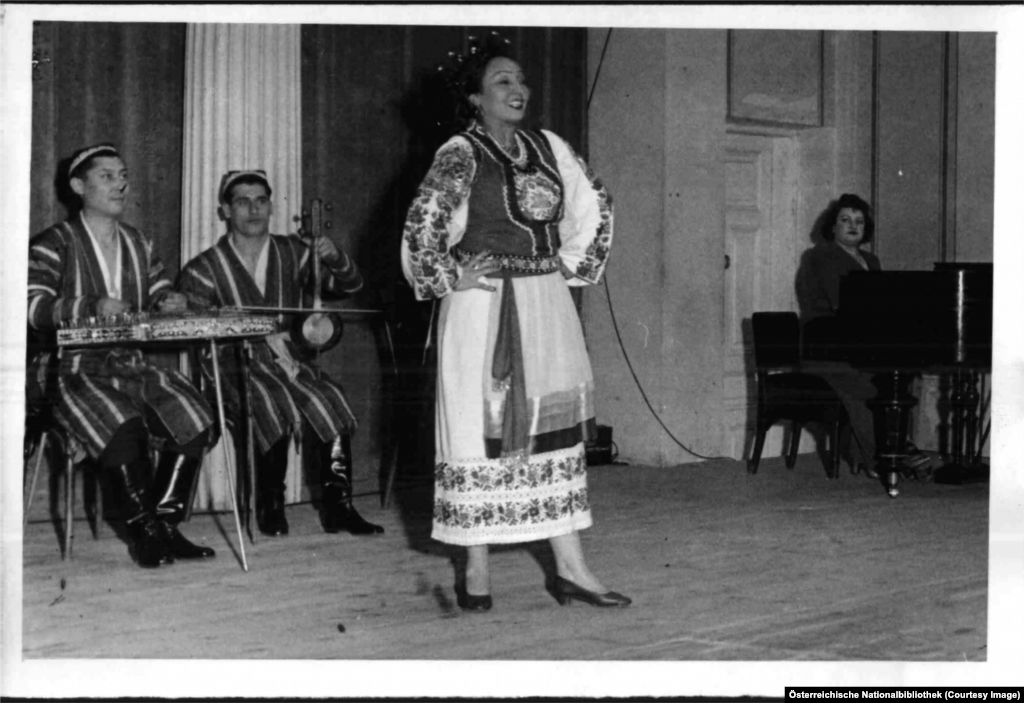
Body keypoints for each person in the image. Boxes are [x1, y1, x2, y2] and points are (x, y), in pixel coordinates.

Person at [400, 34, 629, 610]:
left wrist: (566, 267)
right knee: (477, 433)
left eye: (521, 80)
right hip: (483, 307)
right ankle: (475, 572)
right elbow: (423, 222)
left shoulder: (547, 145)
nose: (518, 89)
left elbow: (594, 201)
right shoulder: (460, 151)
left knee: (551, 435)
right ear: (475, 97)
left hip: (544, 302)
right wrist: (448, 274)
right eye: (502, 81)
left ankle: (573, 569)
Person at [27, 143, 217, 568]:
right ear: (78, 186)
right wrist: (89, 305)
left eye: (123, 174)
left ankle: (166, 524)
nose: (121, 184)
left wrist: (170, 300)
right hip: (70, 369)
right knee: (121, 422)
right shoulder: (53, 243)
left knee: (194, 413)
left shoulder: (138, 242)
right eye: (107, 176)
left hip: (130, 364)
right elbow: (31, 307)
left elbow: (156, 291)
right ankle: (143, 532)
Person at [177, 169, 383, 538]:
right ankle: (270, 505)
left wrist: (334, 256)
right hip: (232, 366)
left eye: (261, 200)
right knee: (269, 399)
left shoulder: (293, 252)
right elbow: (190, 326)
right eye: (242, 201)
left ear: (271, 206)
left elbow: (350, 284)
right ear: (225, 210)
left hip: (287, 362)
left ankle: (340, 507)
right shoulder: (204, 268)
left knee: (329, 396)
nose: (253, 209)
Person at [796, 193, 882, 478]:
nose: (853, 225)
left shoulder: (872, 260)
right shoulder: (820, 256)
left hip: (858, 345)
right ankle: (878, 459)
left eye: (859, 221)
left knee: (899, 376)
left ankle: (874, 453)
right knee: (868, 383)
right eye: (845, 220)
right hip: (825, 348)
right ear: (832, 227)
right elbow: (842, 305)